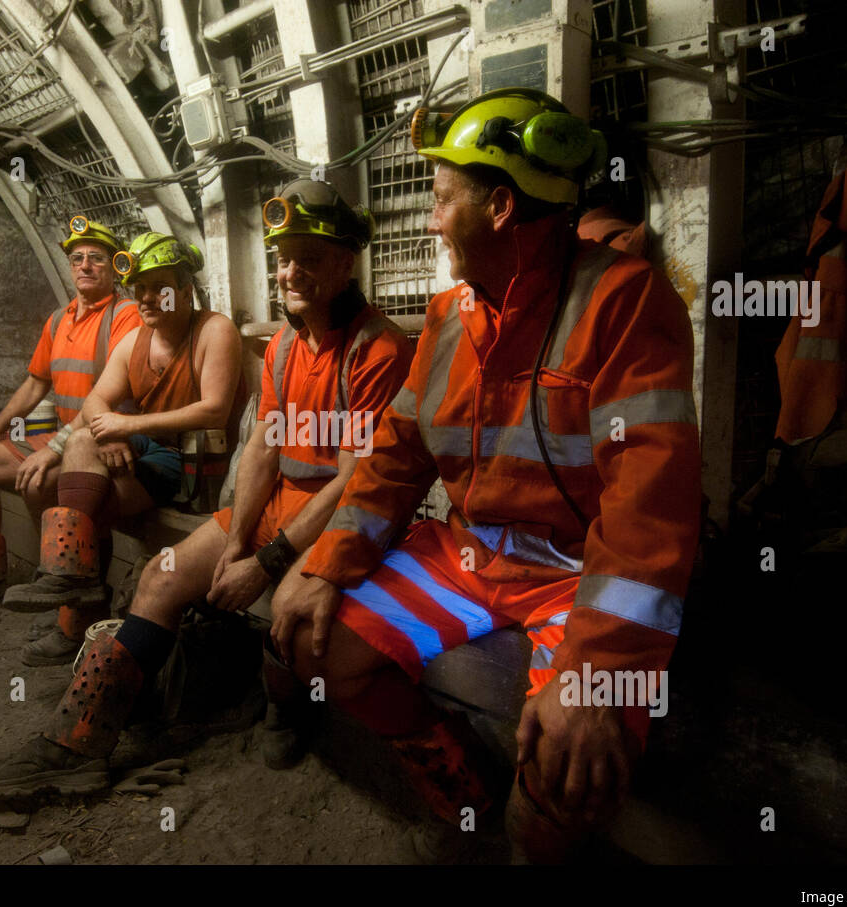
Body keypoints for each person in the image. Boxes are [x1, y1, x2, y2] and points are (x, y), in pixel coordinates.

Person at [269, 88, 703, 862]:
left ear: (499, 207)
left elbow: (652, 504)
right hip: (469, 556)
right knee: (314, 645)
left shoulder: (625, 300)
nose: (432, 220)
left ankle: (525, 836)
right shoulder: (446, 318)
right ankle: (466, 806)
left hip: (579, 575)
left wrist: (598, 674)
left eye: (441, 200)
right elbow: (394, 459)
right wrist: (326, 563)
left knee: (567, 770)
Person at [0, 181, 414, 798]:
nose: (291, 272)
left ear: (345, 262)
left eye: (309, 257)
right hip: (281, 499)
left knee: (290, 616)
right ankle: (77, 743)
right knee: (160, 577)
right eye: (283, 258)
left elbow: (356, 477)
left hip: (341, 512)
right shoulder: (283, 345)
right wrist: (234, 544)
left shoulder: (378, 348)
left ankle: (284, 706)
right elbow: (263, 448)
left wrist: (267, 559)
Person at [0, 231, 243, 620]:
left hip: (192, 463)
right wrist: (107, 432)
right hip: (145, 448)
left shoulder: (214, 330)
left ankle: (81, 605)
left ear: (185, 289)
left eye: (158, 287)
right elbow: (97, 399)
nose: (146, 297)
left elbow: (213, 410)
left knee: (77, 499)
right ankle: (75, 579)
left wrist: (124, 426)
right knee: (79, 443)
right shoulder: (135, 340)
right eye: (140, 287)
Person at [0, 217, 139, 626]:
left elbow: (122, 397)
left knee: (40, 480)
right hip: (59, 436)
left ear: (115, 267)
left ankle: (73, 600)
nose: (86, 266)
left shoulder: (126, 316)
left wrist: (56, 448)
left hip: (92, 441)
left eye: (97, 258)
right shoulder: (60, 320)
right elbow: (35, 384)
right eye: (78, 258)